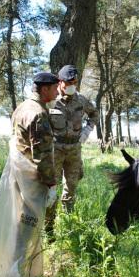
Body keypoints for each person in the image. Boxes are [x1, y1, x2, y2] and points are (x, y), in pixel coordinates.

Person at [0, 72, 59, 277]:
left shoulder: (22, 107)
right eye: (55, 88)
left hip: (20, 173)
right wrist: (51, 184)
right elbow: (43, 155)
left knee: (19, 221)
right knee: (29, 224)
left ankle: (16, 268)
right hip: (33, 178)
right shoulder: (38, 114)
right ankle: (20, 275)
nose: (57, 92)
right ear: (44, 89)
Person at [45, 65, 99, 237]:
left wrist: (87, 130)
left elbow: (94, 114)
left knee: (71, 187)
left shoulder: (81, 100)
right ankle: (49, 229)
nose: (72, 85)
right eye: (69, 82)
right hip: (56, 149)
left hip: (75, 149)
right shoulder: (51, 101)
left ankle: (69, 225)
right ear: (60, 82)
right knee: (51, 189)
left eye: (75, 82)